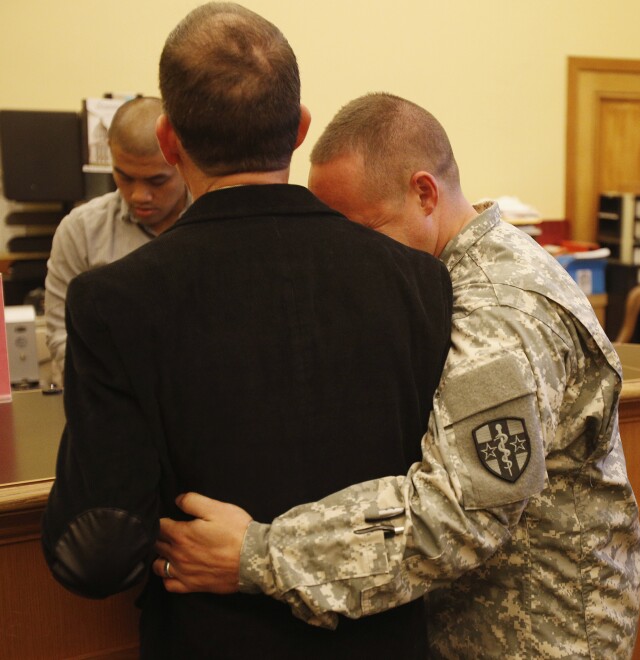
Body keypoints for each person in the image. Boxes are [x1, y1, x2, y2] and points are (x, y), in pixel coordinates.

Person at [155, 93, 640, 658]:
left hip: (536, 636)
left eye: (364, 231)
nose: (352, 256)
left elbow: (459, 514)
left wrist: (260, 554)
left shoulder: (500, 311)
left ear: (424, 193)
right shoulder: (449, 276)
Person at [40, 6, 452, 659]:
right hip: (384, 640)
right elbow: (447, 503)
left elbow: (96, 554)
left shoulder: (114, 302)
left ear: (171, 143)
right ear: (300, 129)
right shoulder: (418, 281)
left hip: (211, 638)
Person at [44, 96, 188, 385]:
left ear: (184, 161)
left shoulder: (214, 225)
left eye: (156, 181)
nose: (138, 195)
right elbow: (62, 338)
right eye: (124, 177)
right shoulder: (81, 231)